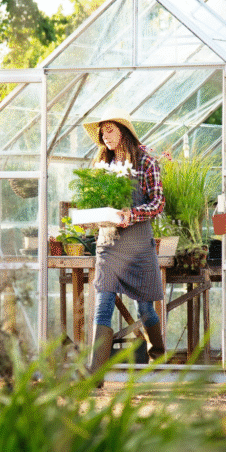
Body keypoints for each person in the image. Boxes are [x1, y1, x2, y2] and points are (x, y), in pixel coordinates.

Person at [81, 112, 167, 377]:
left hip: (138, 246)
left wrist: (133, 214)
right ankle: (95, 375)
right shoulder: (100, 165)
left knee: (144, 308)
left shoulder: (146, 162)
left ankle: (158, 354)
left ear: (123, 132)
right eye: (101, 133)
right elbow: (94, 203)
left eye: (109, 130)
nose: (104, 137)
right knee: (103, 302)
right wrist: (89, 218)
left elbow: (158, 203)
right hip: (109, 244)